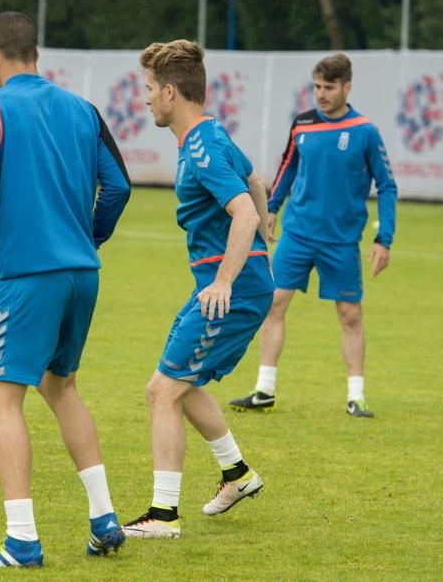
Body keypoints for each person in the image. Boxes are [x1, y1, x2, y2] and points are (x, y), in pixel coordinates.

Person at [0, 11, 132, 569]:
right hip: (82, 273)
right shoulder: (82, 109)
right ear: (36, 54)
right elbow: (118, 185)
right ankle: (104, 519)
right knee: (61, 385)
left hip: (29, 277)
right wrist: (87, 238)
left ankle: (22, 541)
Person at [122, 40, 273, 540]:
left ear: (170, 92)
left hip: (232, 288)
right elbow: (255, 182)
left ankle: (163, 515)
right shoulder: (208, 137)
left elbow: (245, 210)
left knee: (162, 391)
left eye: (148, 90)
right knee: (183, 384)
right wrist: (265, 231)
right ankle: (237, 474)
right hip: (228, 283)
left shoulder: (203, 149)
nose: (145, 100)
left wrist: (228, 277)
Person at [229, 53, 397, 418]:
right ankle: (265, 390)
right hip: (298, 234)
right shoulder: (302, 124)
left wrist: (384, 238)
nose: (320, 94)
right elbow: (288, 167)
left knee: (350, 315)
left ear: (346, 87)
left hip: (341, 240)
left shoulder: (365, 131)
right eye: (317, 86)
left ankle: (356, 397)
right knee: (273, 303)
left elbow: (386, 186)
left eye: (329, 87)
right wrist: (271, 208)